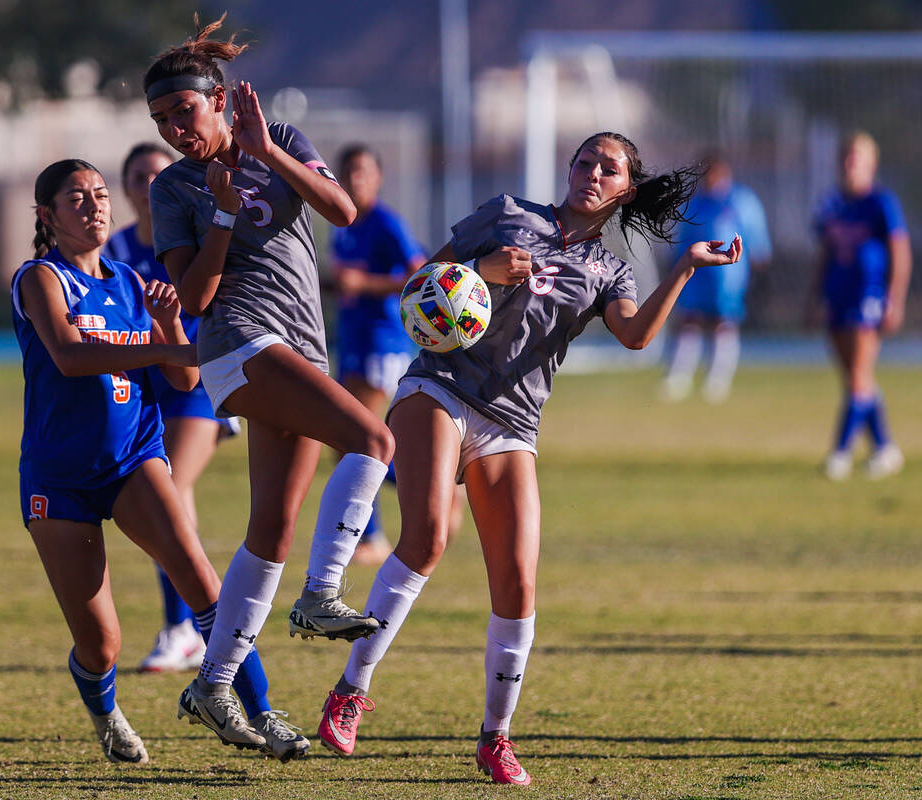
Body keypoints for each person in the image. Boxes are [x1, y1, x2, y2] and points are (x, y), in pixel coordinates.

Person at [312, 132, 742, 785]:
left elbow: (634, 336)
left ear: (626, 188)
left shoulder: (611, 270)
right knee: (426, 538)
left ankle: (496, 737)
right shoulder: (508, 213)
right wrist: (480, 274)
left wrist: (684, 267)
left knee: (517, 580)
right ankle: (349, 691)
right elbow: (418, 285)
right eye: (584, 161)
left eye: (608, 168)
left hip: (512, 422)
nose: (592, 173)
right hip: (439, 387)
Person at [144, 15, 395, 747]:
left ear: (219, 99)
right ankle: (321, 596)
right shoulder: (175, 190)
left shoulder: (280, 141)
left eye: (183, 111)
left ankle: (215, 684)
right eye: (161, 119)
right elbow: (191, 298)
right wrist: (221, 207)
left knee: (272, 531)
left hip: (302, 348)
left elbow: (341, 210)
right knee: (373, 437)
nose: (174, 129)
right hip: (236, 347)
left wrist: (263, 156)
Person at [12, 158, 308, 764]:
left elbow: (184, 374)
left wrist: (172, 319)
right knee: (101, 644)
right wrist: (165, 340)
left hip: (132, 459)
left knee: (203, 582)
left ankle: (260, 712)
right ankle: (106, 712)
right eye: (76, 198)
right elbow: (71, 356)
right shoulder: (39, 279)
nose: (94, 206)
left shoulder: (129, 279)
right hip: (58, 477)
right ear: (48, 216)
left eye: (98, 194)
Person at [104, 142, 236, 674]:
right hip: (144, 387)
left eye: (157, 174)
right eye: (137, 176)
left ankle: (185, 629)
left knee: (172, 490)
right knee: (161, 504)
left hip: (197, 383)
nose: (147, 184)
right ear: (127, 186)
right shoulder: (113, 250)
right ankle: (208, 625)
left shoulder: (193, 241)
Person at [330, 144, 428, 565]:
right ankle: (427, 486)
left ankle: (374, 535)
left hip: (383, 340)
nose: (355, 180)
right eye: (348, 172)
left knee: (358, 439)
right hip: (351, 339)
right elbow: (345, 281)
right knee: (347, 442)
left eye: (363, 172)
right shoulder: (343, 224)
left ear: (378, 177)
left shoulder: (388, 223)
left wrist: (363, 284)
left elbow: (421, 275)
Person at [810, 131, 911, 481]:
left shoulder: (881, 202)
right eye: (847, 157)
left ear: (871, 163)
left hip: (868, 296)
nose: (851, 164)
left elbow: (900, 252)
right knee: (857, 380)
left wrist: (894, 298)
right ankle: (885, 449)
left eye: (858, 157)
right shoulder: (833, 204)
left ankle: (840, 452)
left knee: (858, 377)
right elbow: (825, 254)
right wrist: (815, 297)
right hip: (837, 295)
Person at [661, 150, 771, 403]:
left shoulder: (741, 200)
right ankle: (679, 377)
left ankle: (718, 379)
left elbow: (756, 237)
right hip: (696, 275)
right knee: (689, 321)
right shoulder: (695, 203)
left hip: (728, 277)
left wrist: (760, 264)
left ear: (723, 172)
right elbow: (681, 238)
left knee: (724, 323)